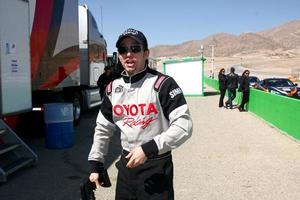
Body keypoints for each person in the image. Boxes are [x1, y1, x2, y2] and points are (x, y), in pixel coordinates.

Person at [88, 28, 193, 200]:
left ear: (146, 53)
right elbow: (102, 129)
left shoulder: (163, 84)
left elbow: (184, 126)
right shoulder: (112, 89)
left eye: (135, 48)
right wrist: (96, 164)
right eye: (123, 49)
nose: (129, 54)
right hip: (126, 167)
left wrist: (148, 148)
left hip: (156, 166)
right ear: (119, 55)